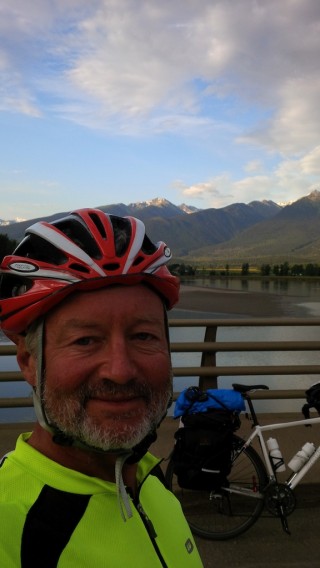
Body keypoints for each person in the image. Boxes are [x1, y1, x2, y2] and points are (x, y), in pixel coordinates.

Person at [0, 209, 203, 567]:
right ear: (28, 361)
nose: (121, 371)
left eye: (144, 336)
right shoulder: (9, 523)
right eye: (85, 340)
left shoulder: (148, 477)